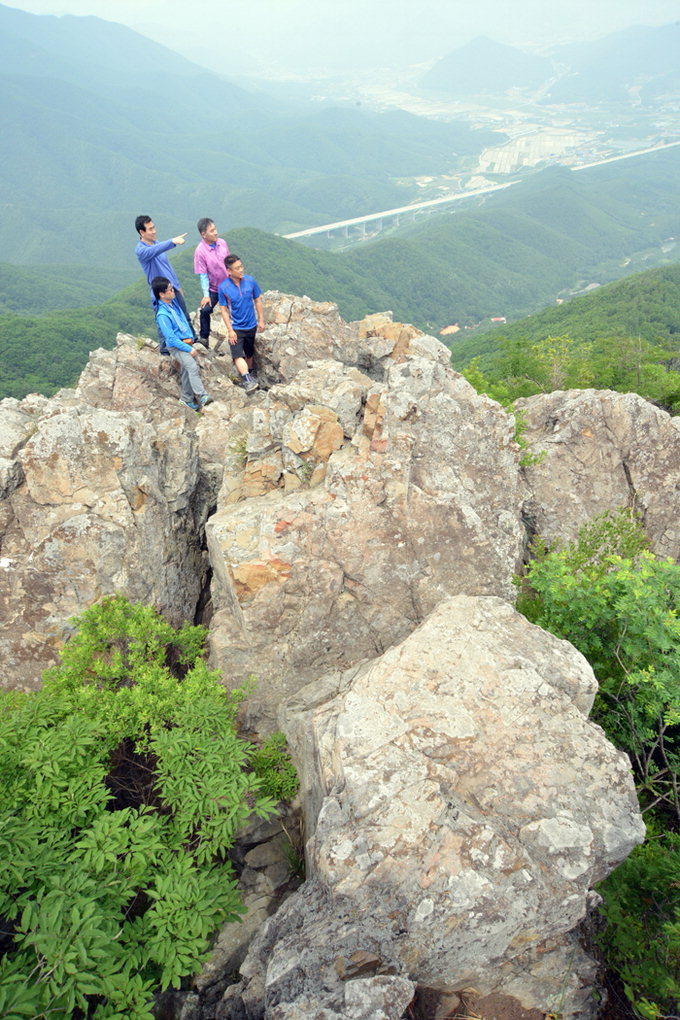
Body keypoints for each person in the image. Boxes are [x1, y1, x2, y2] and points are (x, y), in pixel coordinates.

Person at [152, 276, 213, 411]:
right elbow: (171, 338)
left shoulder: (173, 305)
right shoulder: (162, 315)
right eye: (170, 290)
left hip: (186, 342)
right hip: (177, 346)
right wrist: (188, 348)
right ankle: (202, 395)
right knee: (192, 367)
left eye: (172, 288)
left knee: (186, 370)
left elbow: (183, 322)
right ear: (161, 294)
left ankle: (186, 399)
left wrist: (190, 338)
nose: (173, 291)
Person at [135, 215, 197, 340]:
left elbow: (168, 268)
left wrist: (178, 286)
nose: (154, 231)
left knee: (184, 315)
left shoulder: (157, 244)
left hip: (172, 287)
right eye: (150, 229)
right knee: (164, 321)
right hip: (160, 292)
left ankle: (193, 340)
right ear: (142, 232)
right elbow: (154, 250)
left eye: (154, 227)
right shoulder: (141, 250)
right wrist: (172, 241)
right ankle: (165, 352)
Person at [217, 255, 264, 394]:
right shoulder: (224, 287)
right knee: (237, 355)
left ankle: (249, 374)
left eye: (241, 266)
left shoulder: (250, 281)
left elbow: (258, 300)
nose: (241, 270)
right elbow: (224, 310)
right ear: (229, 271)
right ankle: (247, 380)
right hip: (236, 328)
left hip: (251, 325)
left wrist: (261, 320)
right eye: (237, 268)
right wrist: (230, 330)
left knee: (249, 354)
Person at [194, 218, 230, 348]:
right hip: (214, 289)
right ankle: (204, 337)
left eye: (215, 229)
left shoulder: (222, 243)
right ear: (204, 234)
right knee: (205, 310)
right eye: (212, 230)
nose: (216, 232)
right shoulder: (200, 251)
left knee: (236, 308)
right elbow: (203, 275)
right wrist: (206, 294)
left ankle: (239, 333)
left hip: (228, 285)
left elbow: (229, 263)